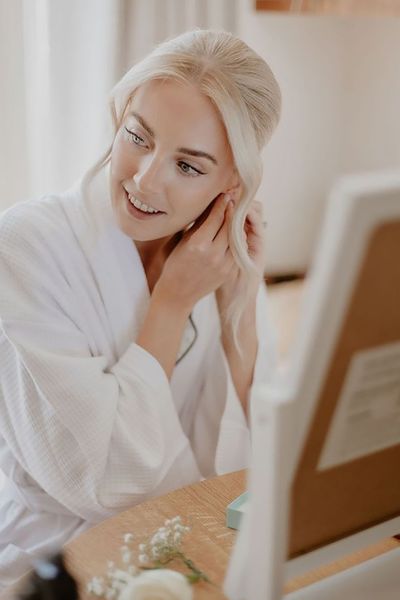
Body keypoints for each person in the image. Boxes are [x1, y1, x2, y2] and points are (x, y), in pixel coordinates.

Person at [0, 29, 281, 588]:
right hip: (54, 562)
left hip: (188, 537)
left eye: (189, 166)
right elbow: (101, 478)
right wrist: (172, 303)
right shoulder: (22, 246)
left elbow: (261, 460)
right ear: (118, 114)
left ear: (233, 183)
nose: (144, 179)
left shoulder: (216, 256)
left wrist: (240, 305)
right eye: (137, 137)